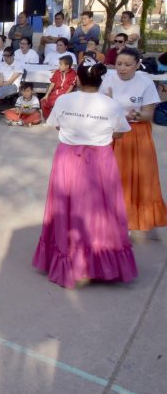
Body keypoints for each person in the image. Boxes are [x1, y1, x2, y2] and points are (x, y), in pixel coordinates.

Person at [33, 64, 136, 289]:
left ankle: (68, 259)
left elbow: (56, 125)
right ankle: (100, 262)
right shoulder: (111, 104)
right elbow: (119, 133)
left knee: (66, 205)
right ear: (101, 80)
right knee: (101, 208)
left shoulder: (64, 100)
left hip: (68, 157)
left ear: (77, 79)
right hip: (100, 159)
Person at [101, 48, 167, 231]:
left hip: (135, 134)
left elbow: (148, 114)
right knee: (108, 176)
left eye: (127, 65)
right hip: (110, 132)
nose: (122, 68)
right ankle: (106, 216)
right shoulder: (108, 79)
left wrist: (137, 115)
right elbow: (100, 106)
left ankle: (127, 220)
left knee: (132, 177)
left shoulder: (146, 83)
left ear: (137, 65)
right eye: (119, 64)